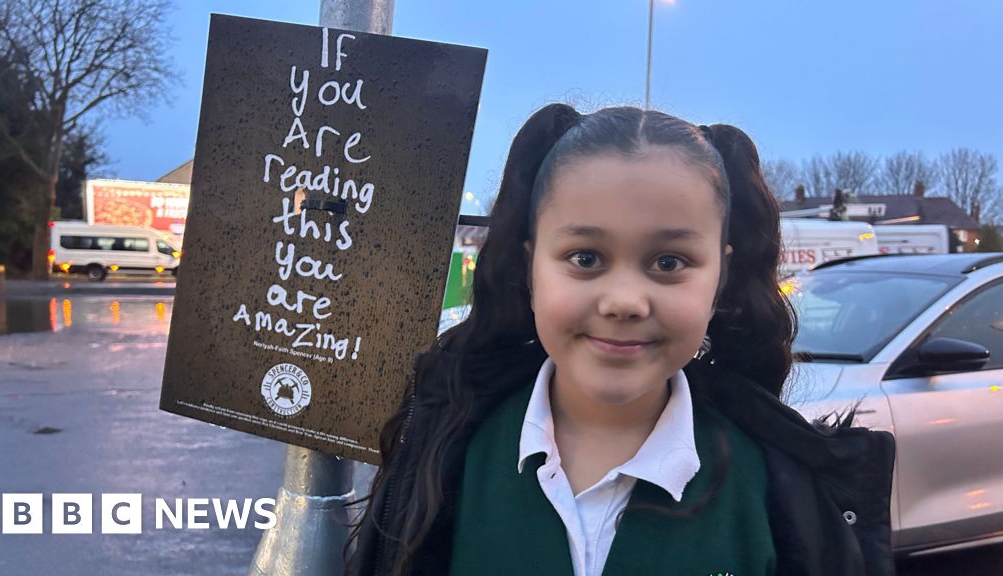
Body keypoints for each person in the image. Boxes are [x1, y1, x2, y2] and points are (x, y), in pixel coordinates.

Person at [346, 104, 895, 576]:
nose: (625, 300)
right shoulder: (445, 458)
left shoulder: (784, 489)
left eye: (669, 261)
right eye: (585, 258)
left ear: (720, 277)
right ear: (529, 266)